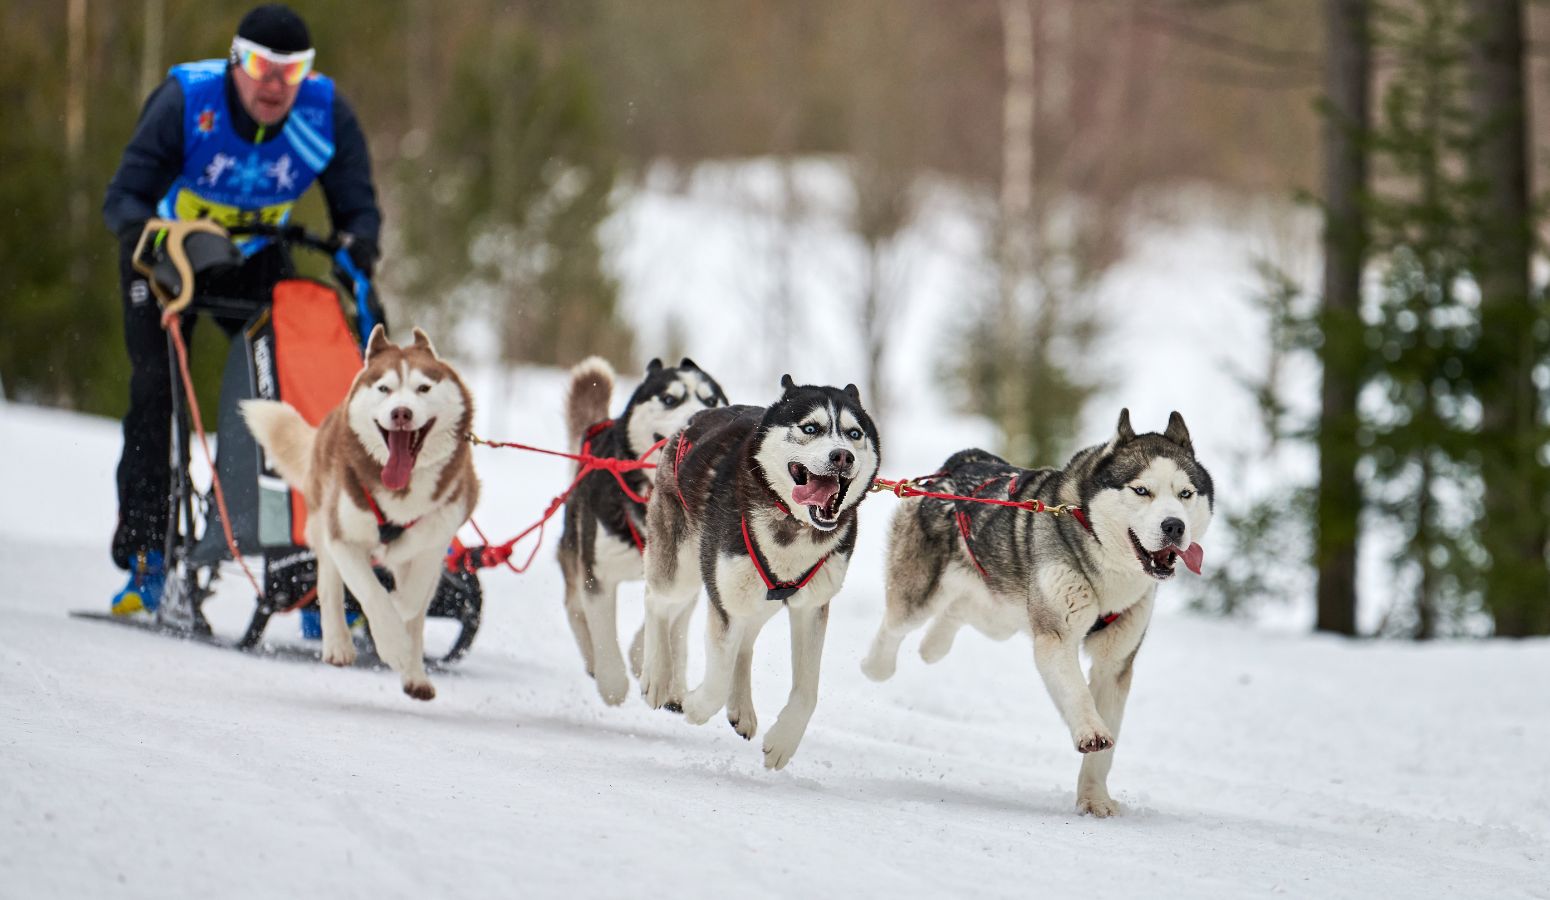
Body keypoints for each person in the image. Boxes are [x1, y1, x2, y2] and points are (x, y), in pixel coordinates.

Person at [102, 4, 383, 614]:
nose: (275, 84)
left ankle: (306, 566)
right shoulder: (188, 102)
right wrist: (148, 236)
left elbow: (357, 209)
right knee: (156, 393)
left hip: (255, 255)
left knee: (294, 393)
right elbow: (123, 196)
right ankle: (148, 560)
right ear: (235, 62)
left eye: (292, 70)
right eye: (260, 66)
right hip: (168, 252)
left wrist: (358, 243)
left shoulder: (323, 112)